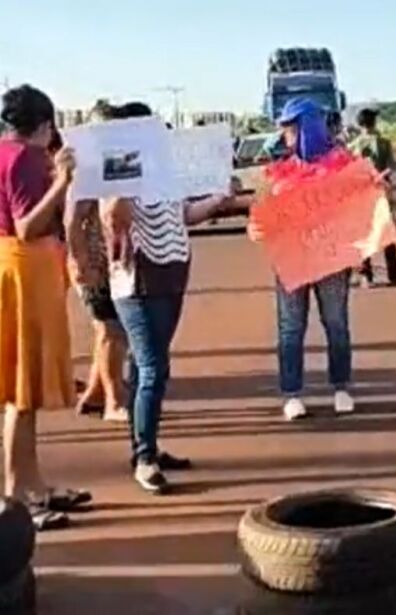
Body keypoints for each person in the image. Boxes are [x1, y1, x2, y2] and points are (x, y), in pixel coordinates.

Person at [81, 102, 235, 495]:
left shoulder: (165, 173)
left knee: (146, 367)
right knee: (153, 369)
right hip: (139, 283)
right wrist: (123, 171)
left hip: (170, 276)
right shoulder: (122, 170)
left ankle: (144, 446)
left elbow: (184, 214)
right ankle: (144, 458)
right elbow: (112, 214)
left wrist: (219, 200)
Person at [0, 85, 88, 530]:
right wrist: (62, 182)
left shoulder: (7, 153)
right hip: (25, 267)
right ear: (44, 125)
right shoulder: (23, 158)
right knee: (21, 392)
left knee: (27, 391)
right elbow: (27, 224)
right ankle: (17, 493)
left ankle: (33, 484)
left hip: (16, 266)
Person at [248, 98, 356, 422]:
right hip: (291, 261)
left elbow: (359, 206)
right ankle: (292, 393)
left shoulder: (343, 166)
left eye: (290, 130)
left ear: (307, 128)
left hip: (331, 261)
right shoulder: (277, 171)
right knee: (291, 328)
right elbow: (260, 211)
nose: (286, 137)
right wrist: (258, 222)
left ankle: (341, 387)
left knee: (336, 323)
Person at [66, 103, 129, 424]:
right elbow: (72, 220)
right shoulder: (88, 170)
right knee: (111, 331)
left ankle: (94, 394)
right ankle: (113, 402)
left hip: (111, 263)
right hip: (93, 264)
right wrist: (80, 261)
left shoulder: (115, 164)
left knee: (110, 332)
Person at [350, 108, 396, 287]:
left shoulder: (354, 146)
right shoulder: (384, 143)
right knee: (387, 232)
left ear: (360, 124)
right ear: (374, 122)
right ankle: (393, 273)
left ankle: (366, 274)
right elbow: (391, 166)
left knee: (364, 233)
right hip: (381, 191)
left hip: (362, 194)